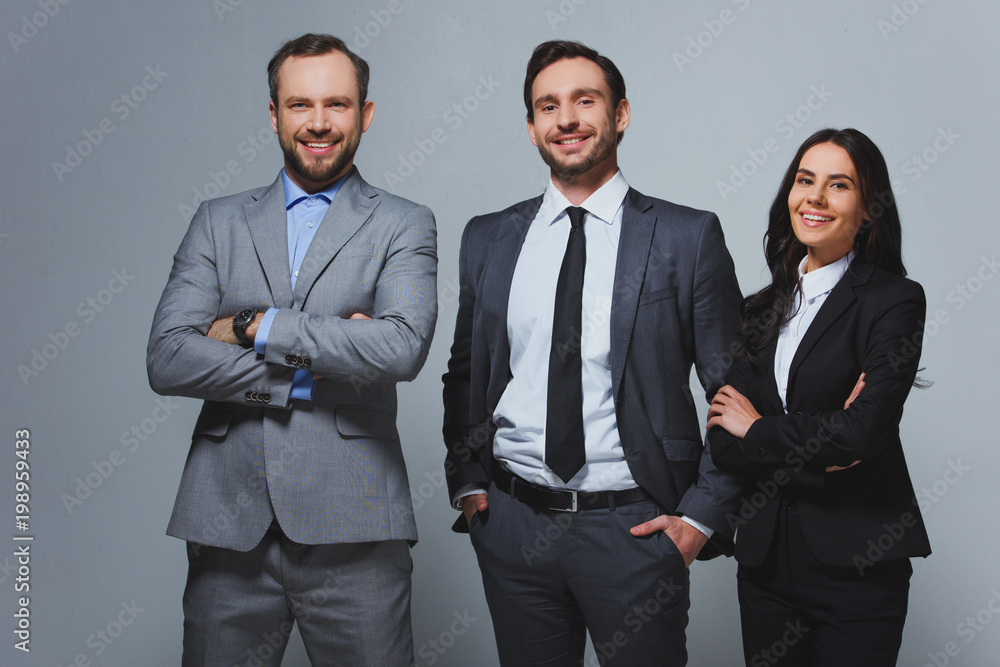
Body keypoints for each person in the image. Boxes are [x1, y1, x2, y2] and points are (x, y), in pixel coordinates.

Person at [441, 40, 743, 666]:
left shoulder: (687, 237)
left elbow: (734, 392)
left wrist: (699, 521)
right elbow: (466, 371)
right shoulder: (489, 238)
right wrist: (469, 483)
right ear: (531, 128)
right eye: (548, 106)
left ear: (621, 114)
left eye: (585, 100)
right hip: (513, 523)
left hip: (633, 529)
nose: (567, 119)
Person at [146, 33, 436, 666]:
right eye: (300, 105)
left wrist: (252, 323)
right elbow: (168, 357)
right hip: (228, 528)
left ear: (366, 113)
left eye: (337, 103)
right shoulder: (217, 220)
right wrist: (309, 371)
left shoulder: (404, 223)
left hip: (357, 528)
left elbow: (400, 348)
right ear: (274, 115)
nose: (319, 122)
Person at [707, 128, 930, 666]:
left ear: (869, 209)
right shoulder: (757, 310)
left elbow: (863, 432)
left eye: (840, 185)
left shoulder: (893, 302)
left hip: (857, 566)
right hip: (765, 568)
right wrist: (825, 452)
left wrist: (760, 430)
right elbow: (723, 442)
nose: (816, 198)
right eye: (806, 180)